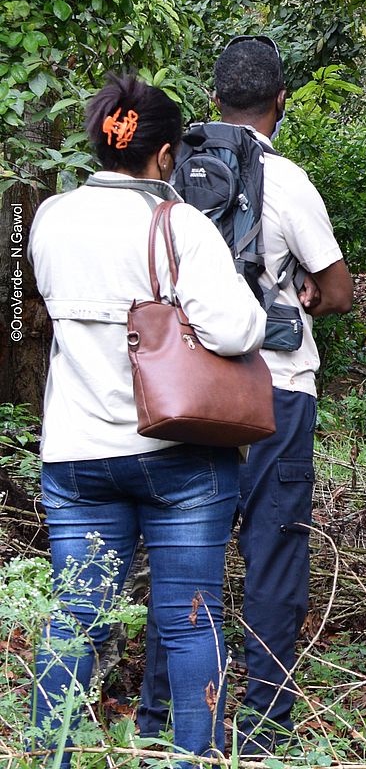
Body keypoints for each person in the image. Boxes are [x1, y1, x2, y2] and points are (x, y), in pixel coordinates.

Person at [29, 74, 266, 765]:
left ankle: (53, 757)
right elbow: (235, 331)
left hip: (76, 455)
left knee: (74, 620)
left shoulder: (49, 217)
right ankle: (191, 758)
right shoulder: (178, 224)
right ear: (165, 156)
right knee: (191, 624)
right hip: (177, 458)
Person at [139, 36, 354, 752]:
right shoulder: (287, 180)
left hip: (190, 392)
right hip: (277, 393)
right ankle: (263, 727)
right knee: (274, 553)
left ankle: (160, 717)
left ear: (213, 100)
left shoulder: (171, 177)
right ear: (281, 100)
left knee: (184, 552)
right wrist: (302, 297)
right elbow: (340, 289)